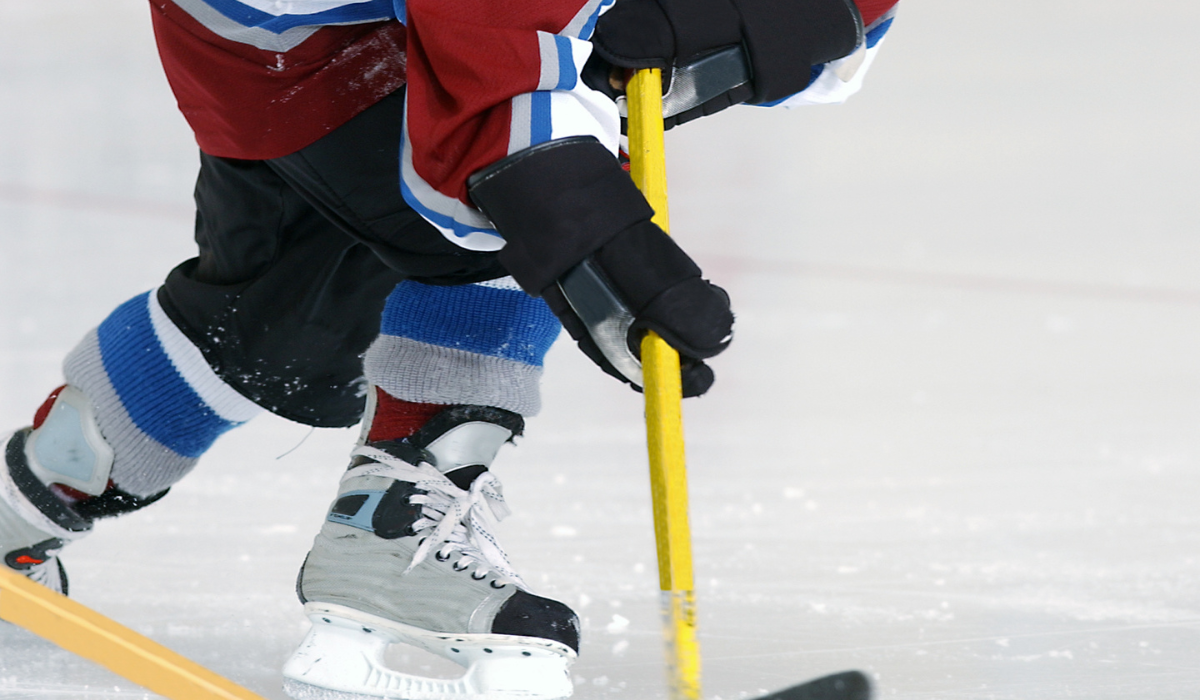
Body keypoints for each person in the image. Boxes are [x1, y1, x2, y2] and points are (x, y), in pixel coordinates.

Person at [0, 0, 898, 697]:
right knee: (518, 198)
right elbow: (499, 105)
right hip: (338, 43)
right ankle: (386, 546)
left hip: (272, 45)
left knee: (261, 323)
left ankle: (30, 495)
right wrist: (551, 170)